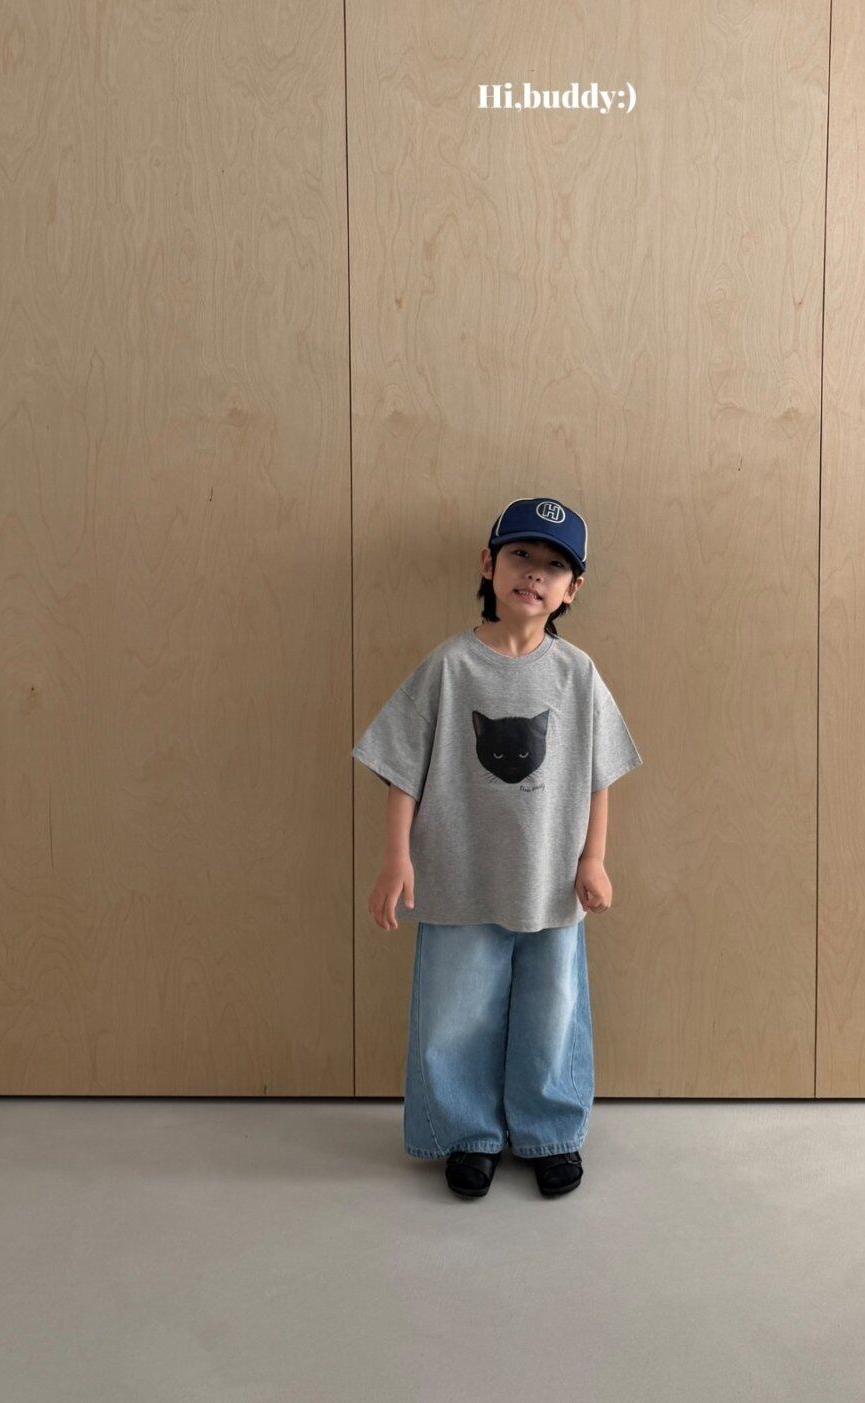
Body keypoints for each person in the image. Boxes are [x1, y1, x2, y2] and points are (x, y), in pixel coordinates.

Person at [352, 496, 644, 1201]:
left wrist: (593, 859)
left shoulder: (577, 674)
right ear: (489, 563)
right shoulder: (450, 666)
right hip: (458, 875)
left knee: (553, 1007)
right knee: (455, 1008)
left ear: (573, 589)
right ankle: (467, 1135)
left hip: (550, 879)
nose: (534, 574)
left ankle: (549, 1131)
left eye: (554, 566)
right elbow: (402, 768)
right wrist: (396, 858)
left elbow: (599, 775)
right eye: (520, 555)